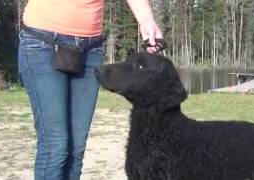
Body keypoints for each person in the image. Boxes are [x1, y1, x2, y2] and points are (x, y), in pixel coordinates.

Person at [18, 0, 163, 180]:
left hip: (89, 48)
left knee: (76, 149)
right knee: (55, 146)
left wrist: (146, 20)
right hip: (43, 42)